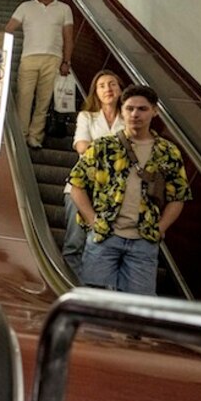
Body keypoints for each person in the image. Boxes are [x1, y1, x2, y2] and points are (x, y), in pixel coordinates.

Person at [68, 85, 192, 295]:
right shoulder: (104, 146)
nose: (135, 114)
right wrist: (92, 220)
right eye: (129, 108)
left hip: (143, 241)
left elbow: (178, 197)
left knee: (138, 307)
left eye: (142, 109)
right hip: (105, 235)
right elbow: (76, 185)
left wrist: (160, 228)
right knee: (93, 302)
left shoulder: (168, 152)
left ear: (155, 111)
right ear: (122, 111)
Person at [61, 70, 125, 276]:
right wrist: (118, 153)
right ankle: (72, 288)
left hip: (115, 194)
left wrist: (98, 149)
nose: (108, 89)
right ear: (95, 92)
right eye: (102, 85)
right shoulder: (87, 116)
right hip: (82, 188)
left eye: (112, 84)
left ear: (120, 89)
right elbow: (81, 146)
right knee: (75, 243)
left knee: (104, 247)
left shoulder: (129, 120)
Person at [4, 0, 74, 149]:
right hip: (29, 57)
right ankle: (21, 134)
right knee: (24, 97)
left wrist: (66, 61)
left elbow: (68, 37)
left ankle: (35, 136)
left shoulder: (64, 9)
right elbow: (9, 28)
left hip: (54, 59)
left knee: (44, 100)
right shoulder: (25, 7)